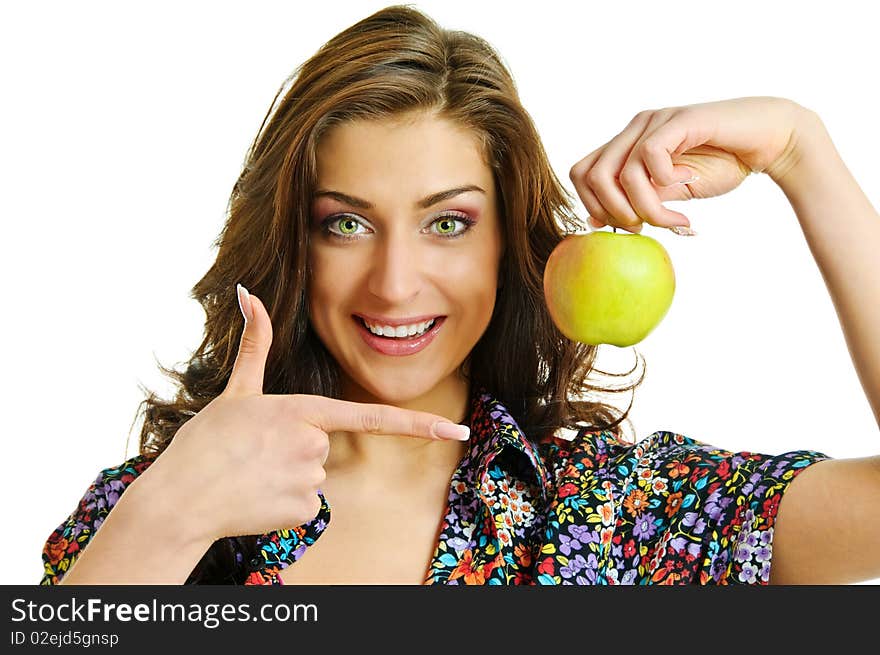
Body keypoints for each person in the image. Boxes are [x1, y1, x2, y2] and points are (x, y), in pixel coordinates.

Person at [40, 4, 879, 586]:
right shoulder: (151, 504)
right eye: (345, 224)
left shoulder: (617, 512)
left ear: (508, 244)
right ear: (290, 243)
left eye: (447, 223)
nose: (395, 282)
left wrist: (804, 154)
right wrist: (170, 516)